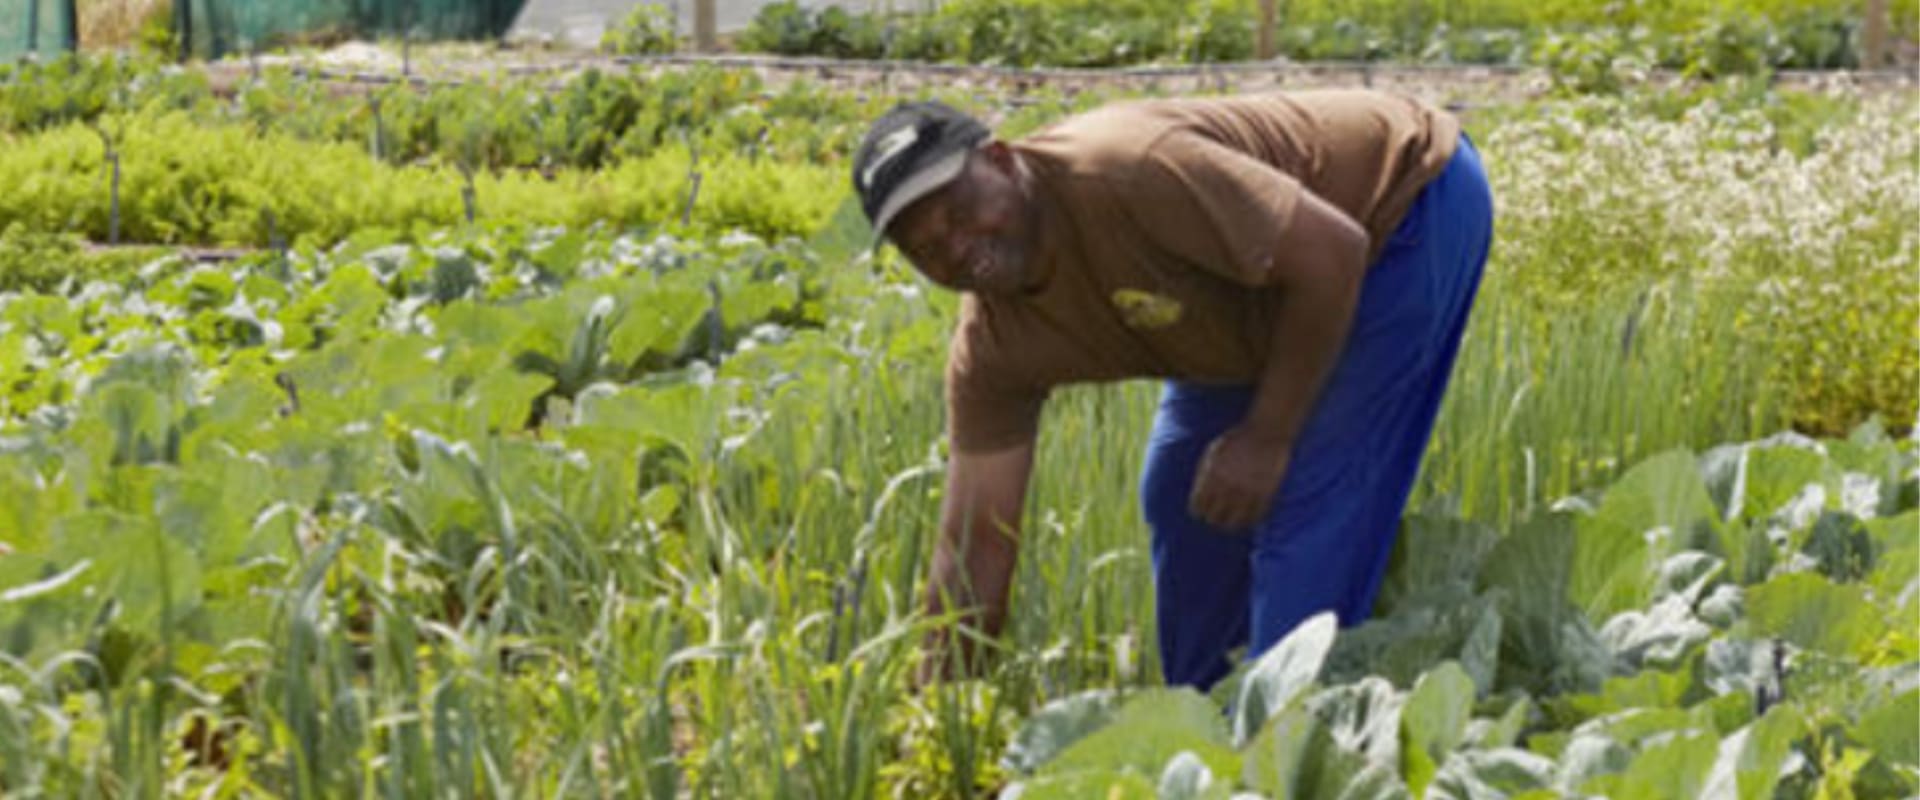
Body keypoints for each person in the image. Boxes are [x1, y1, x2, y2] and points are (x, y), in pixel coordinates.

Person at [851, 89, 1493, 690]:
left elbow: (1331, 254)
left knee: (1306, 504)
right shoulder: (993, 347)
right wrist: (937, 723)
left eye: (962, 213)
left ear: (1001, 159)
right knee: (1180, 494)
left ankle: (1291, 746)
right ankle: (1210, 721)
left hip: (1397, 211)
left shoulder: (1125, 172)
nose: (960, 249)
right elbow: (976, 543)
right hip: (1255, 287)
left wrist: (1267, 436)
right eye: (926, 249)